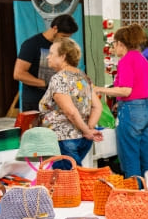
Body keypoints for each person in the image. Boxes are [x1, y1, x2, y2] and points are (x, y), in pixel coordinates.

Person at [93, 24, 148, 178]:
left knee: (130, 156)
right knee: (145, 155)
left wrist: (98, 89)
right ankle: (147, 191)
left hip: (132, 110)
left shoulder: (126, 60)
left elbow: (126, 90)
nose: (113, 48)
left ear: (121, 43)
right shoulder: (142, 58)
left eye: (114, 44)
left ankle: (134, 195)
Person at [38, 38, 103, 169]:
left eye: (51, 53)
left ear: (62, 57)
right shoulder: (84, 77)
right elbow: (97, 106)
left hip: (64, 139)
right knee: (73, 178)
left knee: (66, 182)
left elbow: (71, 112)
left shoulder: (59, 78)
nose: (48, 57)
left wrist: (87, 131)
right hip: (82, 140)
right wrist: (88, 129)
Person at [13, 14, 79, 111]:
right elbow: (18, 74)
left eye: (68, 37)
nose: (65, 40)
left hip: (58, 98)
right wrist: (47, 83)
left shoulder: (63, 46)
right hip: (35, 100)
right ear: (55, 29)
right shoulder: (31, 44)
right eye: (63, 36)